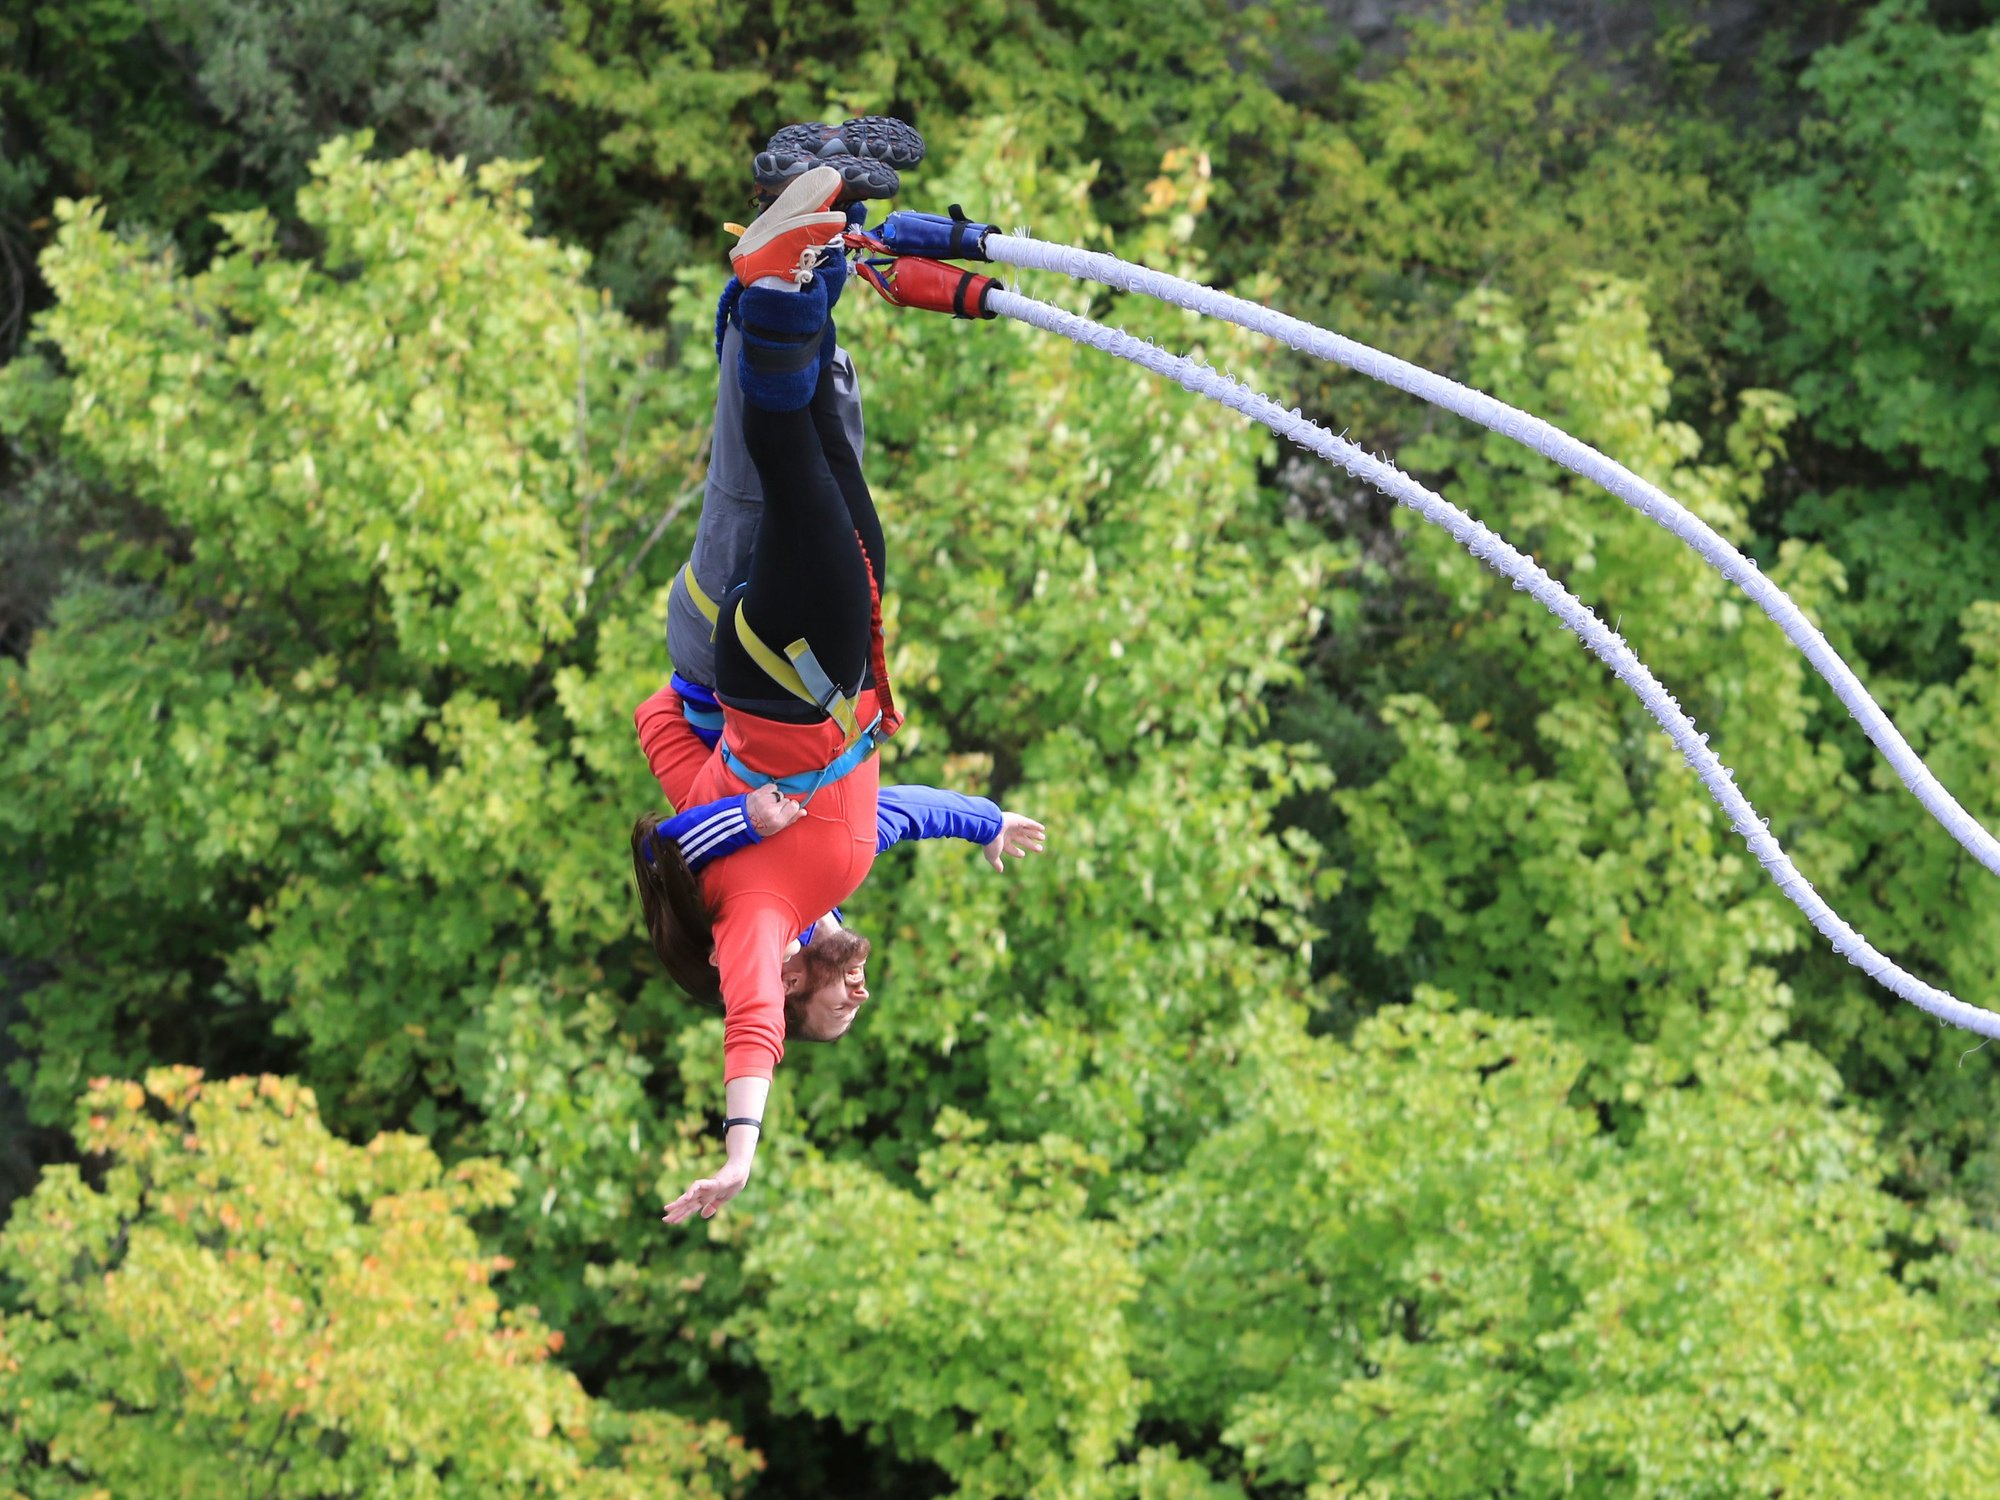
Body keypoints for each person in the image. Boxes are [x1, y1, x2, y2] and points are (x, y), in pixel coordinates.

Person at [630, 166, 1043, 1225]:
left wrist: (739, 1147)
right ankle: (816, 254)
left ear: (793, 981)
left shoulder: (753, 918)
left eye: (834, 1009)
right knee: (828, 466)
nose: (851, 997)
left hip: (784, 677)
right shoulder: (817, 880)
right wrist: (986, 823)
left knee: (794, 471)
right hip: (824, 678)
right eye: (844, 1007)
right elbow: (895, 815)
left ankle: (772, 287)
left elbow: (749, 1023)